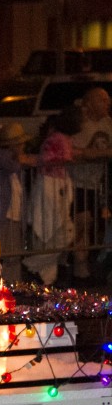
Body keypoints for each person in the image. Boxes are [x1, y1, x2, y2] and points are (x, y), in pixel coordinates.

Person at [23, 107, 81, 285]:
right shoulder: (56, 139)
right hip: (50, 184)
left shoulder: (62, 138)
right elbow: (46, 158)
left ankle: (41, 273)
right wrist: (66, 160)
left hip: (58, 184)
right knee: (56, 230)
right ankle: (32, 267)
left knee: (61, 231)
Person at [69, 87, 112, 280]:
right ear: (90, 103)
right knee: (82, 224)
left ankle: (93, 266)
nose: (107, 104)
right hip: (78, 182)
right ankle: (80, 269)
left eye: (107, 100)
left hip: (98, 184)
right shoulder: (79, 124)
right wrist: (88, 154)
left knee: (95, 226)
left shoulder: (108, 123)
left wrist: (98, 154)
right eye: (102, 100)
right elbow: (69, 149)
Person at [0, 123, 35, 284]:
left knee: (14, 253)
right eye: (19, 143)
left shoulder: (11, 158)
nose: (23, 146)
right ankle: (1, 285)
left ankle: (14, 285)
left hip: (13, 211)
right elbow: (11, 165)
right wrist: (19, 158)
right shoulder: (1, 156)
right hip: (2, 211)